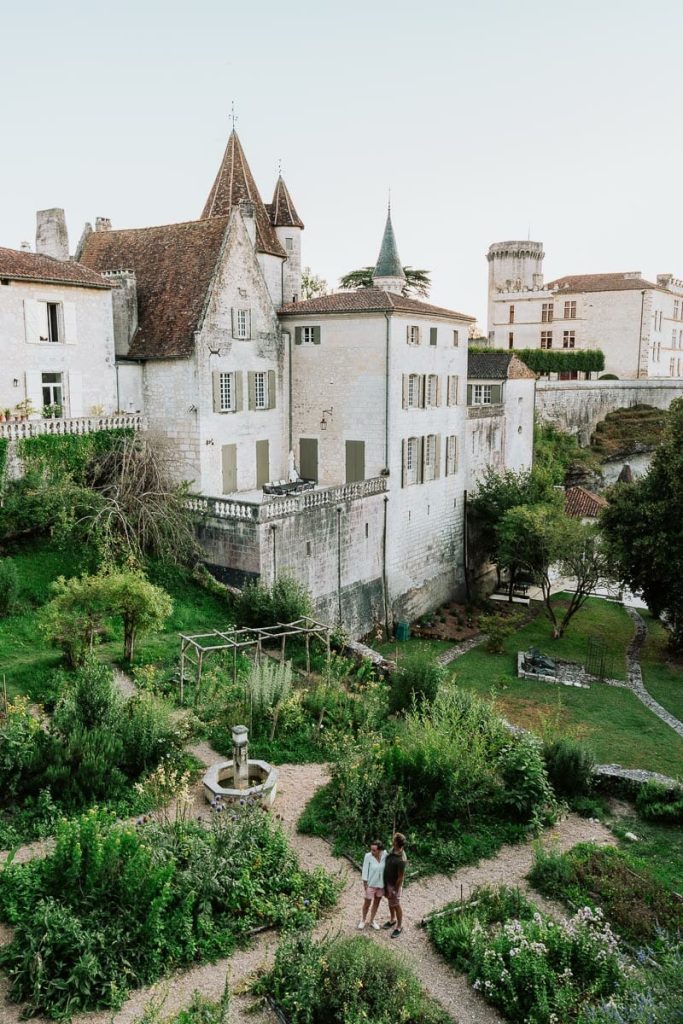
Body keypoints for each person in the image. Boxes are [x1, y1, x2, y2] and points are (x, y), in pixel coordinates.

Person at [382, 832, 407, 937]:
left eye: (393, 839)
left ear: (397, 843)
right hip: (388, 882)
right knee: (390, 900)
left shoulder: (401, 859)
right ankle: (392, 920)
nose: (392, 840)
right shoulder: (393, 850)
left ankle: (399, 926)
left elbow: (401, 877)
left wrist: (395, 890)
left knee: (396, 904)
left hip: (394, 885)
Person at [358, 839, 385, 930]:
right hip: (371, 884)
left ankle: (372, 920)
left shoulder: (385, 855)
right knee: (367, 903)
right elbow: (365, 870)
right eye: (371, 849)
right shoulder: (368, 856)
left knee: (376, 903)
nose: (372, 852)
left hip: (381, 885)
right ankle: (363, 920)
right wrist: (365, 885)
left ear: (380, 850)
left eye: (374, 850)